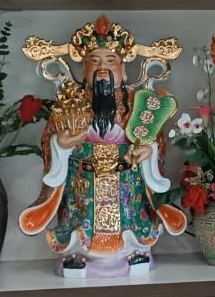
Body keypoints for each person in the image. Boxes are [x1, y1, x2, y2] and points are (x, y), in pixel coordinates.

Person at [19, 17, 187, 277]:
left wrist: (149, 152)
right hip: (83, 184)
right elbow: (50, 139)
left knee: (130, 222)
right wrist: (60, 145)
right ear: (83, 70)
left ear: (123, 69)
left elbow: (155, 140)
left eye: (110, 61)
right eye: (94, 62)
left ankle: (135, 251)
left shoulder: (138, 103)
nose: (102, 69)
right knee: (81, 222)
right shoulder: (69, 103)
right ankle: (77, 254)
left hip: (126, 185)